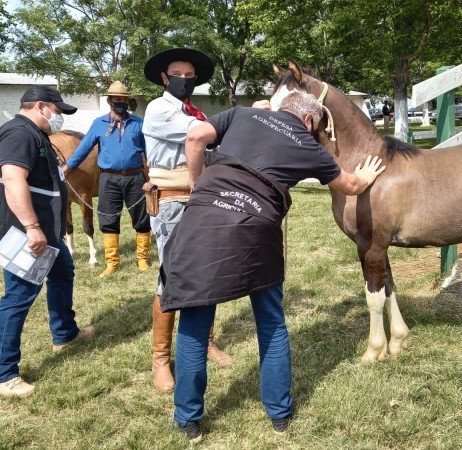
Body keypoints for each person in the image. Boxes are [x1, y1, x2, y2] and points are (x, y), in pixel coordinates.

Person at [159, 91, 386, 442]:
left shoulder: (241, 115)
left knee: (194, 320)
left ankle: (188, 420)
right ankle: (279, 415)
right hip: (256, 229)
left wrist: (197, 183)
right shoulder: (308, 145)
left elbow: (195, 137)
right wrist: (366, 175)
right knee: (270, 321)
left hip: (201, 222)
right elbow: (351, 184)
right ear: (309, 121)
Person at [0, 85, 95, 398]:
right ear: (40, 105)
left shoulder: (33, 134)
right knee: (18, 297)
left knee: (63, 272)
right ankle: (1, 374)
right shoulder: (19, 134)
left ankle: (65, 333)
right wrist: (31, 226)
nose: (59, 118)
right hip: (28, 233)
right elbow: (13, 179)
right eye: (58, 111)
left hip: (47, 232)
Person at [141, 47, 234, 395]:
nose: (184, 79)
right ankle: (161, 359)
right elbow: (201, 134)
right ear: (164, 78)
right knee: (172, 276)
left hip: (200, 200)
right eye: (177, 74)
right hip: (172, 201)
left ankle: (205, 342)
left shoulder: (193, 111)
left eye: (189, 75)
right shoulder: (159, 109)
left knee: (207, 272)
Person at [63, 81, 151, 277]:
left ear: (127, 101)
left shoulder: (139, 124)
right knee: (108, 218)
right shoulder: (98, 124)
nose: (120, 102)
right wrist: (66, 169)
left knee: (141, 217)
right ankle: (112, 263)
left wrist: (151, 178)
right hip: (108, 180)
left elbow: (150, 153)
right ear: (110, 101)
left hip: (135, 177)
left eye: (123, 99)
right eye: (116, 99)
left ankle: (143, 258)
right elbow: (82, 151)